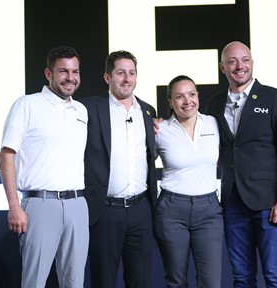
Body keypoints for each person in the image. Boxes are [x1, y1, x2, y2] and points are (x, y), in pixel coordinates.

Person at [204, 41, 277, 288]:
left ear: (252, 63)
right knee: (242, 278)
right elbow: (200, 141)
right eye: (233, 61)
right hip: (233, 203)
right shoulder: (213, 104)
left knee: (274, 275)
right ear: (222, 67)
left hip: (269, 204)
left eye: (245, 59)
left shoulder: (274, 97)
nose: (240, 66)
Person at [0, 45, 89, 288]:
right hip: (40, 204)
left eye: (75, 71)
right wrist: (14, 205)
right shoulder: (27, 105)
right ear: (48, 74)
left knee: (75, 283)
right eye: (63, 71)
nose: (70, 77)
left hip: (78, 205)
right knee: (34, 282)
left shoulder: (81, 110)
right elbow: (6, 155)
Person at [80, 50, 158, 288]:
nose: (127, 79)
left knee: (141, 281)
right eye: (120, 73)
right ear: (107, 77)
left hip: (141, 211)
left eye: (131, 73)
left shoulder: (147, 111)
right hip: (105, 211)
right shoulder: (88, 109)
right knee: (103, 280)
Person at [154, 75, 224, 288]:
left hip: (209, 211)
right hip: (172, 211)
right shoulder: (160, 129)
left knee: (211, 283)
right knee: (176, 281)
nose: (187, 101)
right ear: (170, 101)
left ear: (198, 96)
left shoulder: (213, 123)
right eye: (179, 96)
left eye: (192, 94)